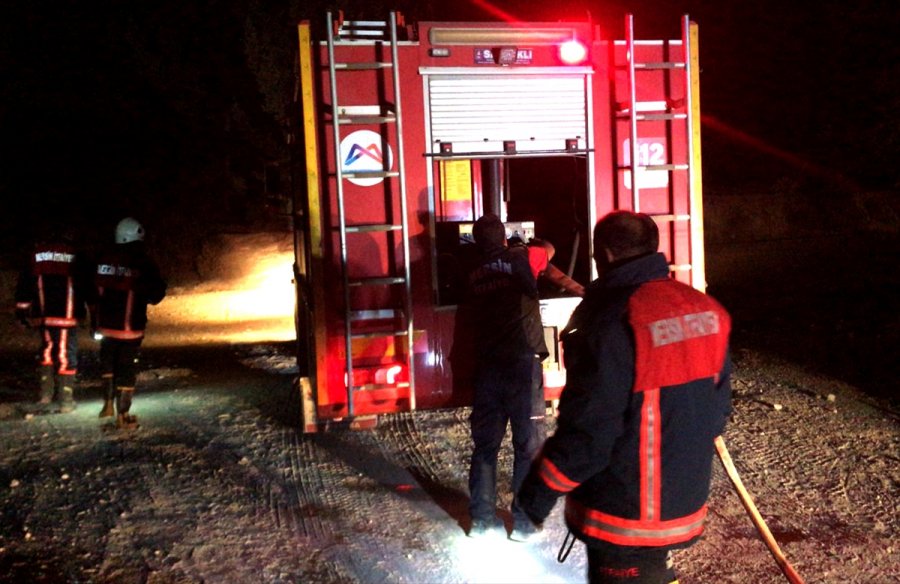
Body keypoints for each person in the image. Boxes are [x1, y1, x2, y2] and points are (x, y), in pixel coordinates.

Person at [516, 211, 733, 583]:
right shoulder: (707, 309)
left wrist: (535, 498)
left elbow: (589, 434)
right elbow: (716, 413)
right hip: (683, 503)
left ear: (605, 254)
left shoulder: (612, 322)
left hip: (623, 513)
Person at [463, 213, 550, 541]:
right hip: (522, 366)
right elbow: (550, 249)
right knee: (527, 445)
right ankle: (524, 525)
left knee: (485, 446)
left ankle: (481, 522)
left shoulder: (471, 270)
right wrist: (522, 244)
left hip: (488, 367)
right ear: (503, 238)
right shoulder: (523, 258)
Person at [90, 217, 167, 429]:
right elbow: (156, 295)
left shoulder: (103, 260)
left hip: (105, 326)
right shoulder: (143, 263)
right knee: (126, 367)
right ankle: (123, 414)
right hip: (130, 327)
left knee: (108, 362)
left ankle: (107, 405)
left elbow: (92, 291)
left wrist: (94, 321)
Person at [14, 229, 91, 412]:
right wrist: (92, 311)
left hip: (43, 316)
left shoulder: (37, 254)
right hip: (67, 316)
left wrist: (22, 312)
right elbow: (85, 284)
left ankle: (45, 395)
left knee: (47, 352)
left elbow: (25, 284)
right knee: (65, 355)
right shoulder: (75, 255)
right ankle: (65, 400)